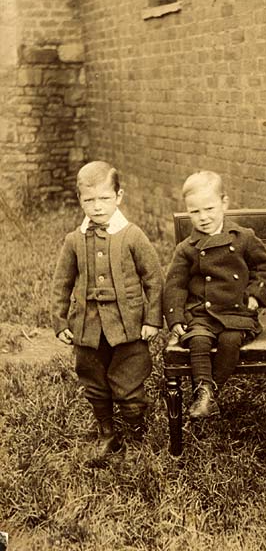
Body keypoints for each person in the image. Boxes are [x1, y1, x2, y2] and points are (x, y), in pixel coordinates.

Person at [51, 161, 163, 459]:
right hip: (87, 328)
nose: (97, 207)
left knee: (128, 383)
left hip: (128, 328)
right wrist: (60, 320)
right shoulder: (74, 241)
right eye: (89, 200)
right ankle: (107, 433)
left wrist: (152, 319)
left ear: (119, 196)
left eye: (104, 199)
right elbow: (61, 283)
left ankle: (137, 436)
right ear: (80, 199)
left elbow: (153, 277)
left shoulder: (132, 235)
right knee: (94, 381)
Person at [164, 171, 266, 419]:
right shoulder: (187, 248)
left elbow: (264, 269)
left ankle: (209, 393)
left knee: (230, 340)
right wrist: (176, 318)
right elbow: (175, 285)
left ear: (225, 203)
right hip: (201, 313)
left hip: (237, 311)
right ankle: (204, 392)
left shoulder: (244, 238)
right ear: (188, 211)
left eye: (209, 209)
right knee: (199, 341)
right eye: (195, 212)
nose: (203, 218)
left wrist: (255, 296)